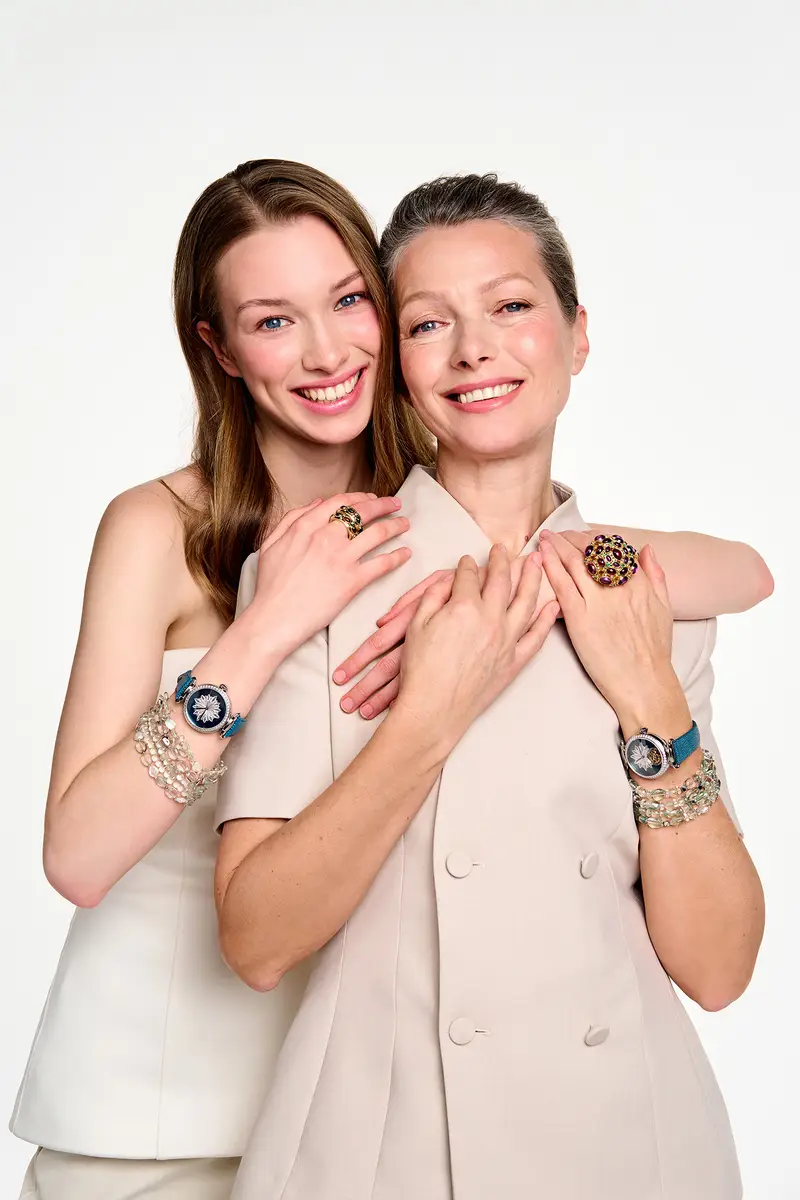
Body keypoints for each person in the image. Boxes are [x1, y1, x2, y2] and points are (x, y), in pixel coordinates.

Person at [13, 160, 767, 1200]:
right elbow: (80, 858)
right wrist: (266, 631)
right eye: (273, 321)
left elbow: (737, 571)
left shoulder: (439, 527)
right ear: (219, 347)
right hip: (172, 1092)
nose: (327, 352)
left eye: (349, 303)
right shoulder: (171, 532)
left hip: (367, 1069)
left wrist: (522, 577)